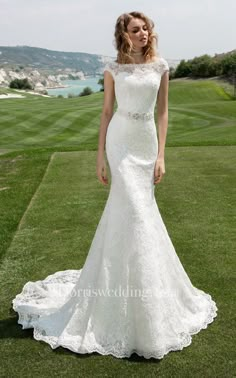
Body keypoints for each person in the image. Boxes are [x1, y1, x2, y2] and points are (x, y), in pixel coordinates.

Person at [12, 11, 218, 360]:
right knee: (132, 212)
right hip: (120, 143)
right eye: (135, 30)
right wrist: (99, 158)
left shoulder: (161, 67)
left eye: (146, 28)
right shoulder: (113, 69)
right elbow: (106, 112)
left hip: (146, 142)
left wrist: (162, 156)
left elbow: (164, 112)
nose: (143, 34)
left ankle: (146, 296)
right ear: (124, 35)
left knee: (141, 213)